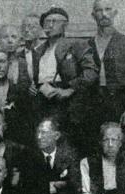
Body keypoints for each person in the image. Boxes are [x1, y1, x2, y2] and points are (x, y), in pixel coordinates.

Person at [31, 7, 99, 156]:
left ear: (65, 25)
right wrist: (34, 87)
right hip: (44, 101)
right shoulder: (39, 51)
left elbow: (91, 72)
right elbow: (37, 78)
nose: (49, 25)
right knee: (45, 142)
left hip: (68, 103)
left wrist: (70, 89)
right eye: (47, 22)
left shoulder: (76, 45)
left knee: (68, 144)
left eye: (54, 21)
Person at [89, 0, 125, 129]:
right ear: (93, 15)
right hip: (94, 102)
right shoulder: (88, 44)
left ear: (115, 13)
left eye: (108, 9)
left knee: (121, 141)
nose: (104, 14)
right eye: (99, 10)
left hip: (119, 101)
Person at [0, 25, 33, 90]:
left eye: (14, 37)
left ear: (20, 41)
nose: (10, 41)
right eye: (5, 37)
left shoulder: (26, 63)